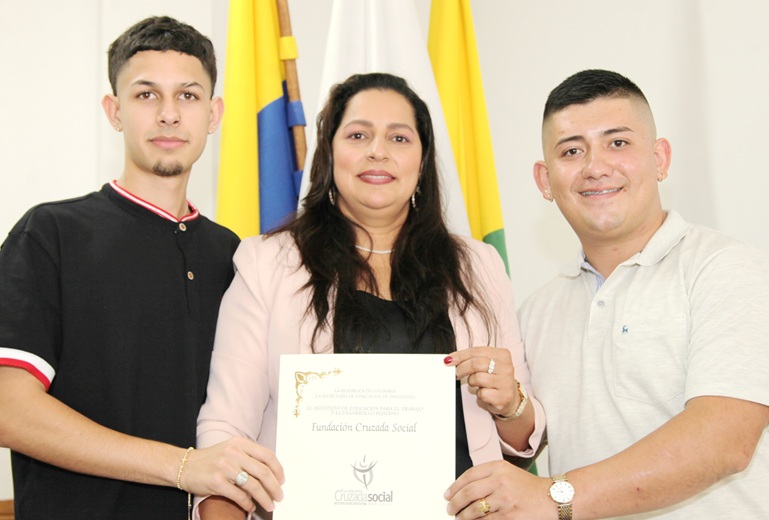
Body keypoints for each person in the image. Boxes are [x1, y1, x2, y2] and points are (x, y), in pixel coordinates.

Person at [194, 72, 545, 519]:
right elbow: (227, 432)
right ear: (330, 155)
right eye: (358, 134)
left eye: (399, 137)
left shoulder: (479, 266)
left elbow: (518, 444)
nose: (378, 151)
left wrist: (510, 403)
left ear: (422, 161)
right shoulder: (266, 263)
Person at [444, 69, 769, 519]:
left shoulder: (727, 268)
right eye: (572, 150)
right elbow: (525, 440)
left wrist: (553, 495)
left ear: (660, 159)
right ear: (544, 180)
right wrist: (506, 407)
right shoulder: (537, 311)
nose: (596, 166)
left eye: (618, 143)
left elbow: (725, 440)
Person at [0, 16, 283, 519]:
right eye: (146, 95)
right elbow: (7, 407)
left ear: (214, 114)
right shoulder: (50, 233)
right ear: (114, 111)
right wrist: (181, 466)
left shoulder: (234, 254)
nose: (169, 115)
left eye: (189, 96)